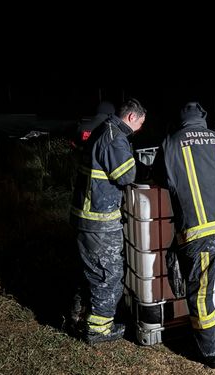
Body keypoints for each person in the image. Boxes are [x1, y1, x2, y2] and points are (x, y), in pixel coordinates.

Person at [154, 102, 215, 369]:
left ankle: (212, 355)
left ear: (181, 121)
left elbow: (161, 179)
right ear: (204, 119)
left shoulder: (171, 143)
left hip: (200, 230)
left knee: (201, 295)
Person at [69, 98, 147, 344]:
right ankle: (99, 329)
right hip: (99, 219)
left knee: (89, 271)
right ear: (132, 117)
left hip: (86, 215)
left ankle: (79, 317)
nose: (140, 130)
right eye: (141, 124)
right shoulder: (114, 138)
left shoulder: (104, 129)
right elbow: (125, 175)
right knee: (108, 274)